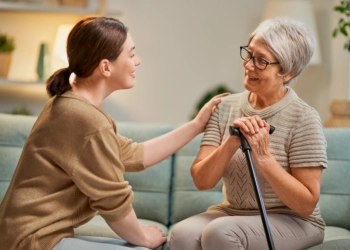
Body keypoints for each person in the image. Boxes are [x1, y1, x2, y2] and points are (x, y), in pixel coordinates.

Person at [0, 17, 229, 250]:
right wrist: (143, 237)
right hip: (32, 240)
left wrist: (197, 124)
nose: (137, 61)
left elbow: (134, 154)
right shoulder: (84, 119)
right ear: (105, 67)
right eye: (131, 55)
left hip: (27, 234)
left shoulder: (72, 106)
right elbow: (113, 200)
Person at [170, 16, 327, 250]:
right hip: (233, 211)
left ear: (288, 71)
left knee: (221, 232)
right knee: (182, 234)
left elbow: (305, 205)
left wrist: (263, 156)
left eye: (261, 61)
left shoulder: (304, 118)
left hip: (295, 220)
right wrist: (232, 142)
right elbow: (202, 181)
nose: (249, 65)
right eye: (249, 53)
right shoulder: (224, 107)